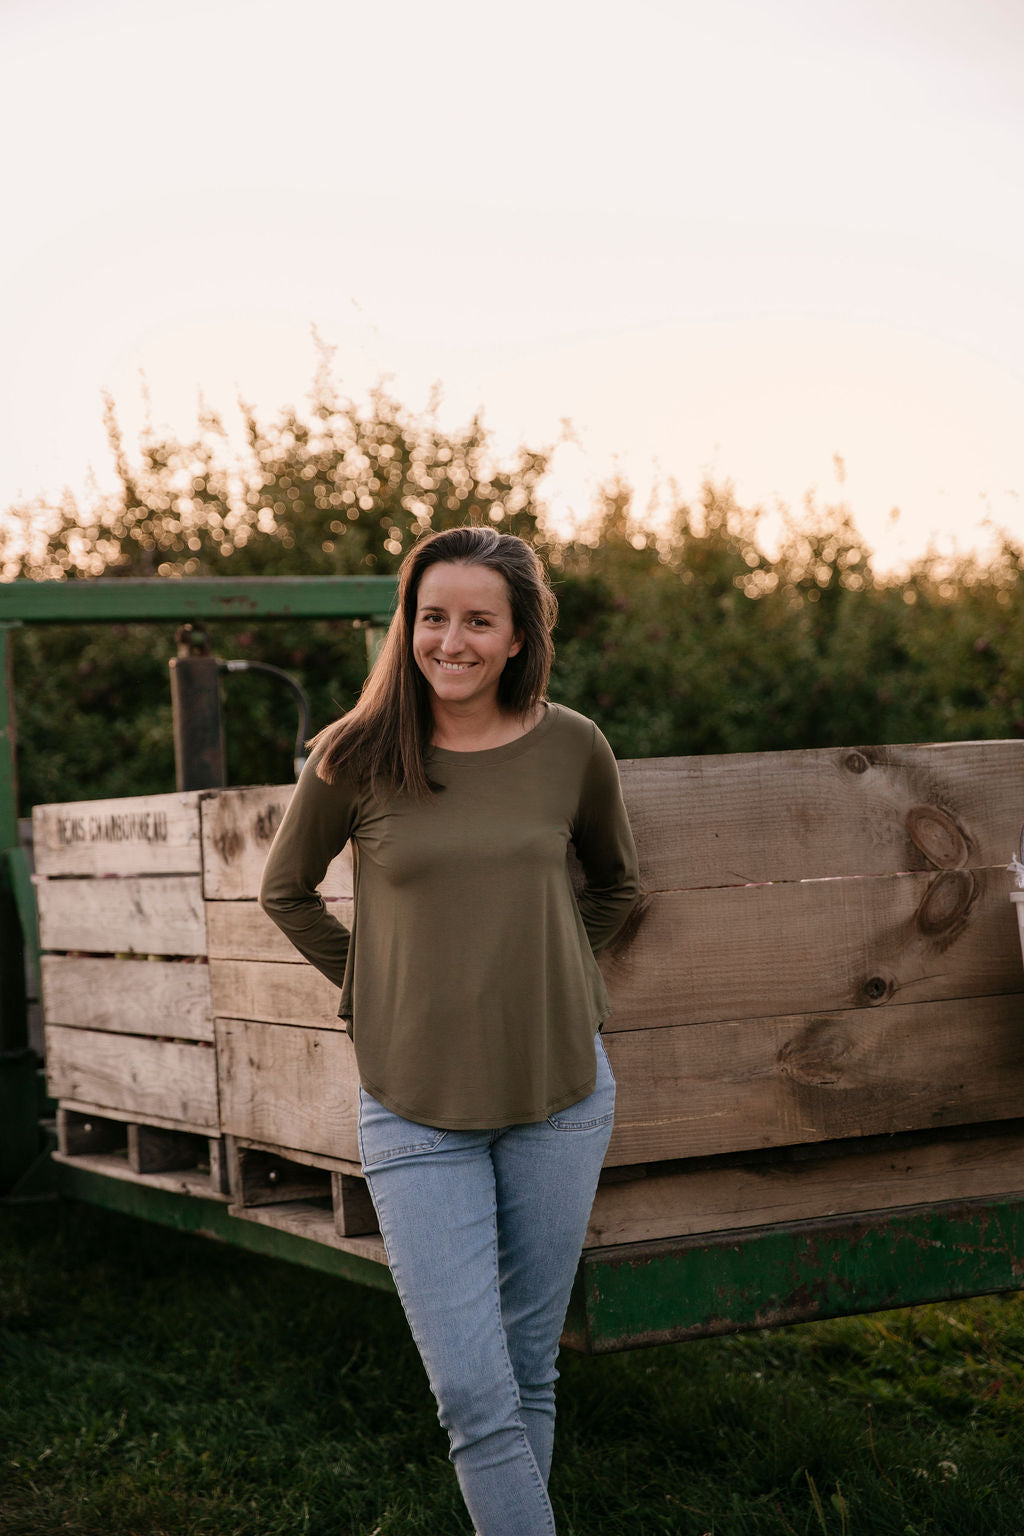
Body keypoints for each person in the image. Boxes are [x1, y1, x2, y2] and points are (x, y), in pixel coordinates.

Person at [258, 524, 640, 1535]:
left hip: (560, 1097)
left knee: (527, 1367)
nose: (451, 641)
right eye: (433, 617)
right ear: (408, 625)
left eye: (478, 620)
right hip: (413, 1107)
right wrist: (375, 986)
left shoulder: (573, 747)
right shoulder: (353, 755)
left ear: (518, 637)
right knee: (472, 1392)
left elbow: (616, 884)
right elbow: (285, 892)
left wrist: (554, 974)